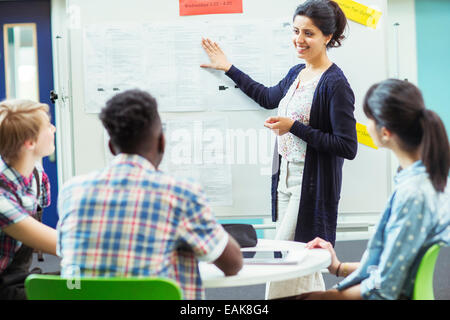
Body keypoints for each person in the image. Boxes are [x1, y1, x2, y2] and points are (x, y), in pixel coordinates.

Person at [200, 0, 357, 298]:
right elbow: (267, 96)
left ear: (327, 37)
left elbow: (347, 146)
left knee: (284, 262)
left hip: (309, 184)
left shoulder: (336, 84)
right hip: (285, 179)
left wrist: (293, 127)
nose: (299, 39)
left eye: (309, 33)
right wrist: (228, 68)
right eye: (296, 31)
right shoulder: (298, 72)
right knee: (302, 260)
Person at [56, 89, 243, 300]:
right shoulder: (179, 193)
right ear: (162, 142)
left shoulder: (72, 191)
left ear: (111, 146)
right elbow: (233, 264)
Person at [294, 79, 450, 300]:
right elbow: (393, 265)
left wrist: (326, 297)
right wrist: (338, 267)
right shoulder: (427, 181)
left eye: (369, 118)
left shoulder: (413, 194)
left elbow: (386, 286)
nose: (365, 125)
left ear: (385, 133)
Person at [0, 99, 57, 300]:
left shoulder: (37, 175)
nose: (54, 128)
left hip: (15, 275)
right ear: (30, 142)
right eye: (48, 126)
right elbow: (60, 245)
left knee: (74, 285)